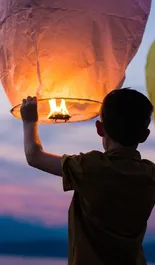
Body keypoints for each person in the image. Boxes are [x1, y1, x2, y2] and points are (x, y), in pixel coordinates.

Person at [20, 88, 155, 265]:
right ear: (145, 135)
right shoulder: (150, 175)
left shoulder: (90, 166)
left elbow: (34, 156)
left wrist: (29, 121)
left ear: (100, 128)